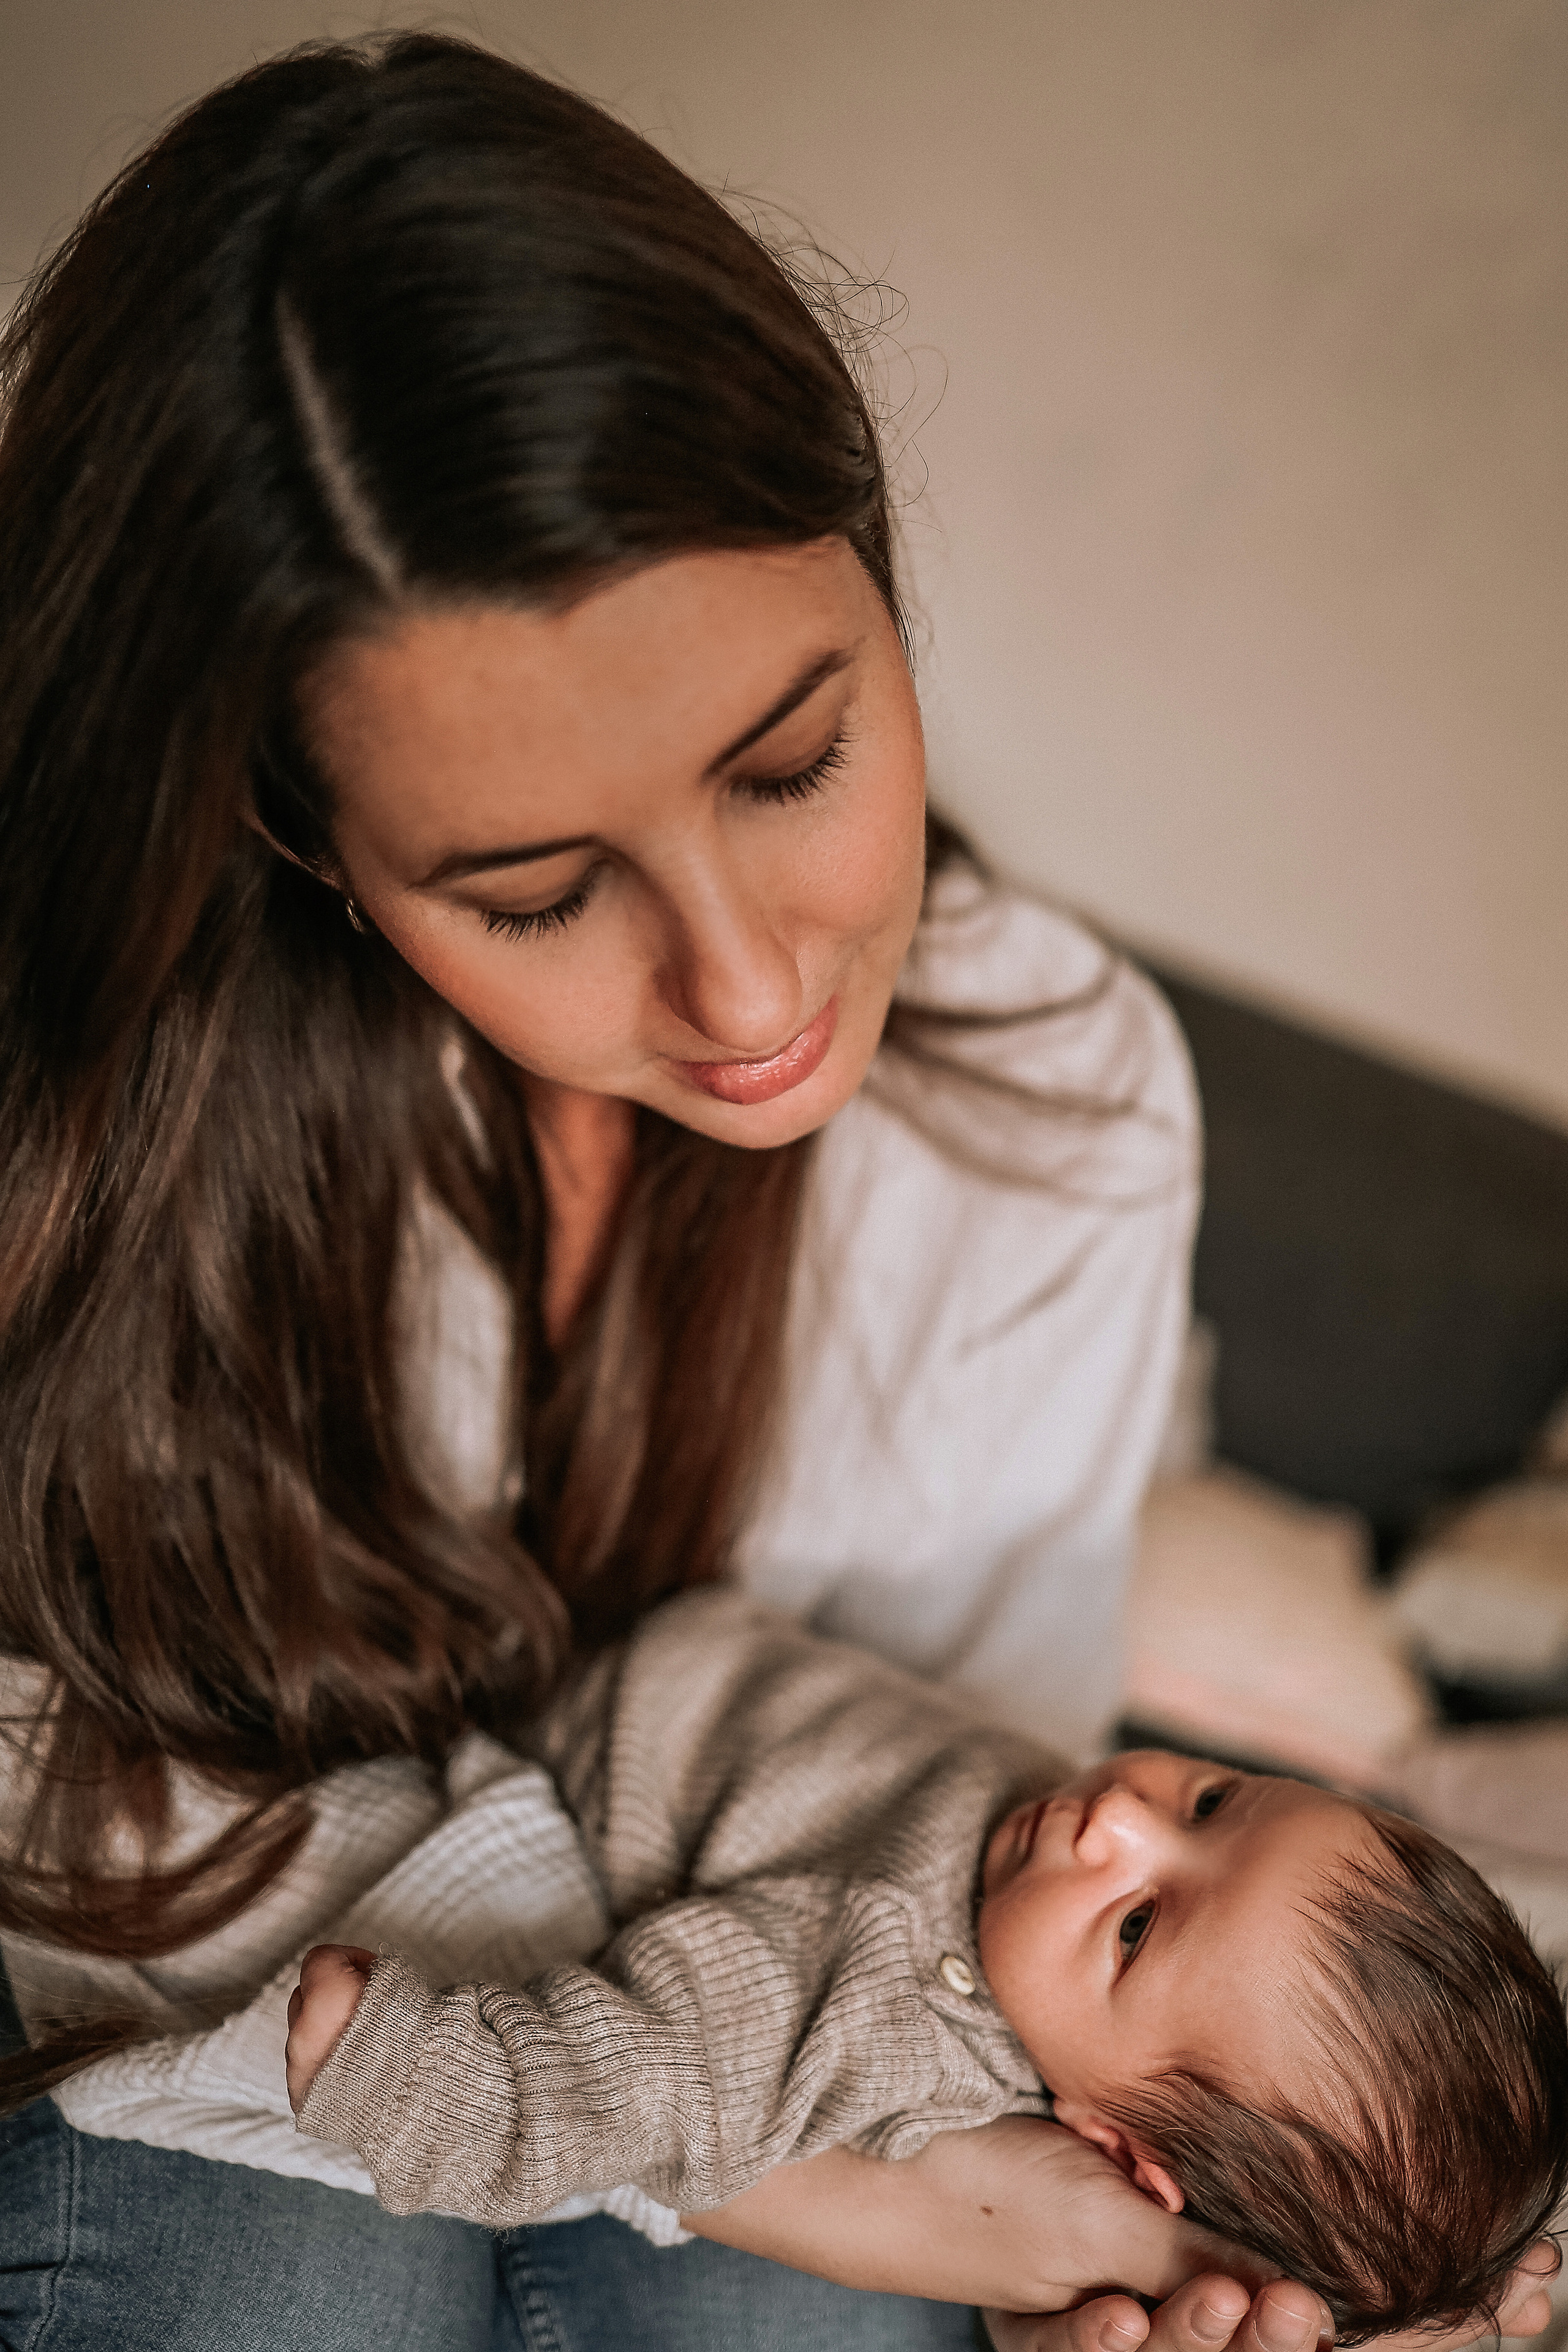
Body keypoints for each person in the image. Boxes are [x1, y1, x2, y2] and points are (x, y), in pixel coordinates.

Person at [0, 29, 1555, 2352]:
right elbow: (93, 1849)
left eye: (798, 760)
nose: (748, 991)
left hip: (724, 2028)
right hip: (187, 1995)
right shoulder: (98, 1115)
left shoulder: (1054, 1103)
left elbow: (969, 1862)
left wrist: (1126, 2238)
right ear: (297, 842)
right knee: (300, 2265)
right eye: (534, 893)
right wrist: (878, 2216)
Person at [282, 1588, 1568, 2343]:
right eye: (1215, 1802)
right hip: (664, 1644)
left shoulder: (881, 2004)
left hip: (568, 1722)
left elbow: (643, 2080)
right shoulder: (1053, 1903)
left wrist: (412, 2076)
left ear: (1116, 2150)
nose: (1116, 1818)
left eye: (1134, 1926)